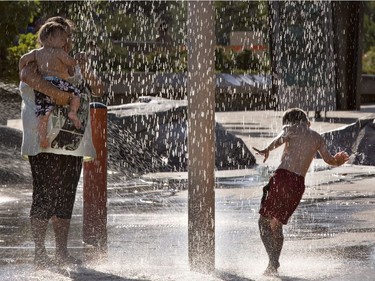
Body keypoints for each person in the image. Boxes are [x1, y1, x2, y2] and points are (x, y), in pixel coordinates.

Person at [19, 16, 104, 270]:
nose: (66, 40)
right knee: (44, 193)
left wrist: (86, 68)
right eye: (62, 35)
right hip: (43, 139)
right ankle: (39, 252)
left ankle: (61, 251)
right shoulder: (35, 61)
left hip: (71, 140)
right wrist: (67, 98)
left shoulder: (71, 64)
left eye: (68, 36)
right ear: (48, 37)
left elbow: (99, 88)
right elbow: (32, 81)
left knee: (66, 193)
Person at [252, 108, 349, 277]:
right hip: (298, 185)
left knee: (264, 222)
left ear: (289, 121)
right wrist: (338, 162)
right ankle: (273, 263)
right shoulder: (317, 137)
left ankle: (272, 260)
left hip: (282, 179)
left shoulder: (290, 128)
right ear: (306, 121)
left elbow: (279, 139)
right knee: (277, 224)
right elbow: (329, 160)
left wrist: (267, 149)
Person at [19, 20, 83, 148]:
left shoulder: (37, 53)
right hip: (57, 82)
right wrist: (78, 59)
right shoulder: (58, 52)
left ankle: (43, 138)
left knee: (43, 115)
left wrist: (21, 68)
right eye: (62, 39)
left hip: (44, 84)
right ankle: (73, 112)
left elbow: (23, 59)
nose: (66, 41)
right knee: (76, 94)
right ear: (49, 38)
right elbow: (70, 62)